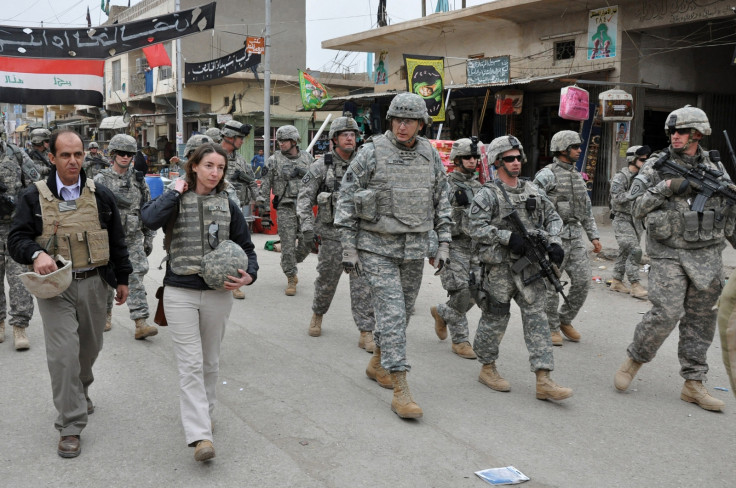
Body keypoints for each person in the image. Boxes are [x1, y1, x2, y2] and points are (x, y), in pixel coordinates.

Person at [7, 129, 132, 458]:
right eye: (65, 155)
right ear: (52, 158)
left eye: (78, 154)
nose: (73, 161)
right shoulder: (32, 198)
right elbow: (16, 239)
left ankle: (81, 390)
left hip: (94, 283)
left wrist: (123, 279)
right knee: (63, 356)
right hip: (55, 288)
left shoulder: (101, 196)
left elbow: (117, 240)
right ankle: (70, 425)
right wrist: (36, 253)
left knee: (88, 350)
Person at [334, 92, 452, 418]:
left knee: (404, 311)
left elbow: (442, 199)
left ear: (419, 123)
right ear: (390, 120)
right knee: (393, 314)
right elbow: (345, 199)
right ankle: (401, 389)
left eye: (409, 120)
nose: (402, 126)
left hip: (414, 248)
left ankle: (377, 365)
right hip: (376, 247)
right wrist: (348, 246)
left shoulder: (429, 153)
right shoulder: (371, 152)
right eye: (398, 119)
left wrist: (442, 243)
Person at [141, 143, 258, 461]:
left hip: (219, 294)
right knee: (191, 363)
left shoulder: (228, 203)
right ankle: (199, 435)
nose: (214, 172)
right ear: (194, 166)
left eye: (219, 167)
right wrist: (174, 192)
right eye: (208, 165)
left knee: (210, 362)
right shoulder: (176, 197)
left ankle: (204, 414)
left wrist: (250, 275)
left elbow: (246, 247)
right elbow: (148, 220)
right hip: (180, 290)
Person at [614, 106, 733, 412]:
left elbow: (728, 211)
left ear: (697, 134)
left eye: (681, 131)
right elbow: (633, 206)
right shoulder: (657, 164)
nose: (675, 136)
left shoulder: (714, 167)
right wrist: (666, 187)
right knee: (666, 312)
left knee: (702, 319)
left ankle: (694, 383)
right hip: (668, 251)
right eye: (672, 132)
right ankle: (635, 359)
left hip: (707, 253)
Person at [467, 135, 572, 401]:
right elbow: (474, 227)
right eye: (509, 159)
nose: (516, 163)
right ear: (497, 162)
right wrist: (506, 238)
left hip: (530, 267)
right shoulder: (488, 194)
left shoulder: (533, 191)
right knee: (495, 318)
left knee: (537, 316)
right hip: (499, 267)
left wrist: (555, 242)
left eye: (518, 157)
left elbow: (554, 218)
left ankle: (544, 378)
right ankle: (487, 367)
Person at [297, 114, 376, 351]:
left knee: (363, 286)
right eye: (345, 135)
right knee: (326, 281)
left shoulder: (365, 163)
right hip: (332, 236)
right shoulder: (322, 165)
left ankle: (366, 331)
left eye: (353, 135)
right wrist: (307, 227)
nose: (350, 138)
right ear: (335, 139)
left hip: (360, 235)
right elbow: (304, 197)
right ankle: (317, 314)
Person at [533, 130, 601, 345]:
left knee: (582, 282)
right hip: (555, 239)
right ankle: (551, 326)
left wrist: (594, 236)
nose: (579, 150)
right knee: (552, 284)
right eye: (575, 147)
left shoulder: (577, 176)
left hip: (575, 237)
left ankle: (565, 319)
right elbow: (532, 203)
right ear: (563, 149)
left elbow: (586, 209)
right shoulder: (547, 174)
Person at [94, 134, 157, 339]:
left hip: (132, 239)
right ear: (113, 154)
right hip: (105, 240)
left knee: (135, 277)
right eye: (121, 153)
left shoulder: (139, 181)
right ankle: (105, 315)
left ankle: (141, 322)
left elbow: (148, 210)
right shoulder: (100, 180)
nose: (125, 157)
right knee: (104, 280)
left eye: (129, 154)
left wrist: (149, 237)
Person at [429, 137, 483, 359]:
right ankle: (460, 340)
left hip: (476, 246)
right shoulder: (445, 184)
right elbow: (433, 216)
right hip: (452, 244)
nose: (472, 161)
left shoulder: (480, 187)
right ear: (457, 160)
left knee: (478, 291)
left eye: (474, 157)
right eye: (467, 158)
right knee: (460, 290)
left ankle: (442, 312)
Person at [257, 125, 313, 296]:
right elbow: (265, 187)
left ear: (294, 141)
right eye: (279, 141)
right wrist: (265, 212)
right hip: (285, 207)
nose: (281, 143)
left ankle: (289, 263)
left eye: (285, 140)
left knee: (307, 242)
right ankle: (291, 276)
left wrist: (305, 173)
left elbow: (318, 180)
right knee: (287, 245)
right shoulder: (273, 161)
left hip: (304, 207)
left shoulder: (307, 158)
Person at [0, 128, 35, 350]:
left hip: (15, 229)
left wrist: (15, 200)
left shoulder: (17, 154)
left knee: (19, 279)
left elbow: (35, 183)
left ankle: (19, 326)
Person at [221, 121, 256, 299]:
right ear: (229, 136)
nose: (242, 142)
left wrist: (259, 199)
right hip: (213, 211)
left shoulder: (240, 160)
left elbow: (251, 180)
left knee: (236, 248)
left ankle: (234, 283)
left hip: (235, 211)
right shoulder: (212, 155)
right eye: (240, 138)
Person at [609, 145, 650, 299]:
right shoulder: (621, 177)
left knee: (625, 251)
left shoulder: (644, 177)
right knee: (635, 250)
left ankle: (617, 281)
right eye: (642, 159)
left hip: (637, 220)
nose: (645, 162)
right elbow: (617, 198)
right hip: (622, 219)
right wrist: (633, 194)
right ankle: (635, 284)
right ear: (632, 159)